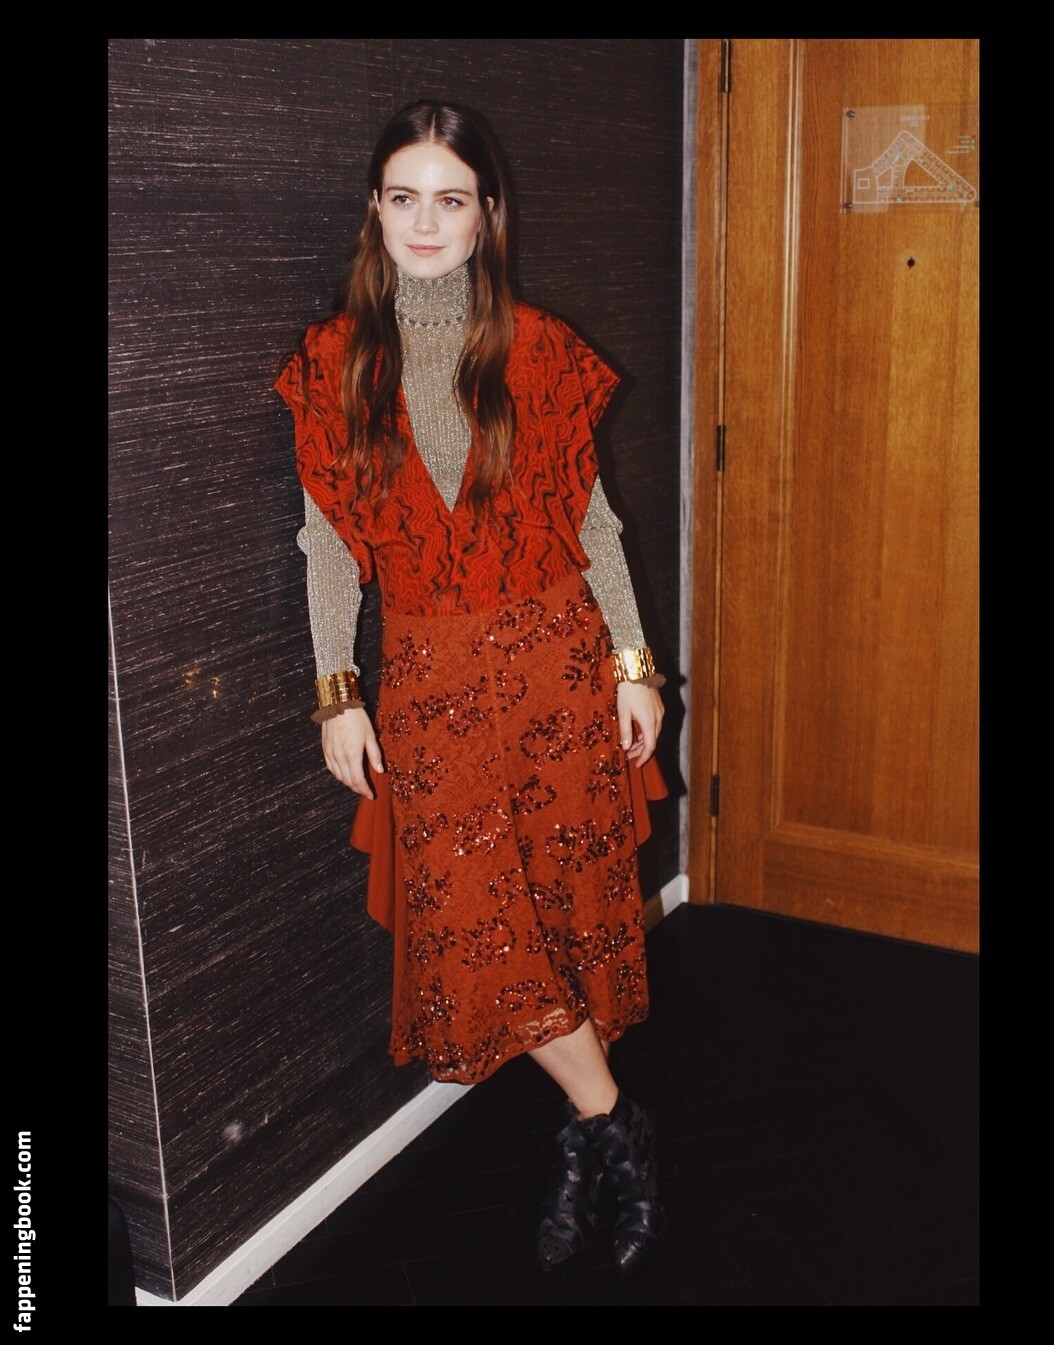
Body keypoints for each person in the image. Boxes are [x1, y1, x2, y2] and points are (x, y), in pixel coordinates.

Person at [275, 99, 668, 1278]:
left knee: (556, 912)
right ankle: (614, 1122)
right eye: (405, 197)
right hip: (429, 681)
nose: (426, 221)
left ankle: (590, 1144)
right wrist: (336, 689)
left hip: (556, 663)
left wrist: (634, 664)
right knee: (478, 925)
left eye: (451, 199)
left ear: (488, 214)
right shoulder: (333, 363)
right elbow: (328, 543)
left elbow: (594, 524)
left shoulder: (540, 349)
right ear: (376, 210)